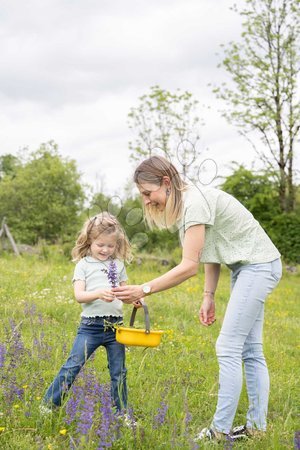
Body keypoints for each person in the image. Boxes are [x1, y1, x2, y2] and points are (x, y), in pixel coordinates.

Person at [112, 155, 282, 442]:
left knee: (228, 347)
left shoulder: (193, 204)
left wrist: (144, 289)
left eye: (147, 192)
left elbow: (189, 266)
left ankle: (219, 430)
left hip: (258, 266)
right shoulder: (189, 203)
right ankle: (257, 428)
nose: (146, 200)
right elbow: (211, 251)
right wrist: (208, 295)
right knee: (250, 350)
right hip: (247, 267)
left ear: (166, 183)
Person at [41, 212, 140, 418]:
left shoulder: (118, 265)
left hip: (116, 328)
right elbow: (79, 296)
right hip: (91, 327)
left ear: (117, 244)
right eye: (100, 245)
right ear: (90, 241)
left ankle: (121, 414)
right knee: (73, 365)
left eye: (110, 246)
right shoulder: (83, 265)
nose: (105, 250)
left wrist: (134, 300)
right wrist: (98, 294)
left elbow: (125, 292)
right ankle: (49, 405)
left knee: (119, 373)